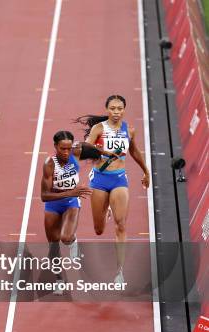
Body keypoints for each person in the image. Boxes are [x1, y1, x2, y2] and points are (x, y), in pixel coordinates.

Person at [74, 95, 150, 283]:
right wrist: (102, 152)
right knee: (98, 229)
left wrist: (146, 171)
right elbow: (84, 148)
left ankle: (120, 272)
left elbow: (134, 151)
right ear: (107, 110)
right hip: (100, 179)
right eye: (113, 108)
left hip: (119, 180)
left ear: (124, 110)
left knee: (121, 224)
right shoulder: (98, 128)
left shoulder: (129, 130)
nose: (116, 112)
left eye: (120, 108)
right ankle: (106, 208)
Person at [41, 130, 117, 290]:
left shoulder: (75, 152)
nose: (66, 152)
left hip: (71, 203)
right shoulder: (49, 163)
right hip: (53, 204)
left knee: (65, 237)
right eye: (62, 149)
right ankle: (59, 281)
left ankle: (73, 241)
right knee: (53, 247)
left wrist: (105, 152)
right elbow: (44, 196)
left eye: (69, 148)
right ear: (55, 146)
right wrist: (71, 192)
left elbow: (88, 146)